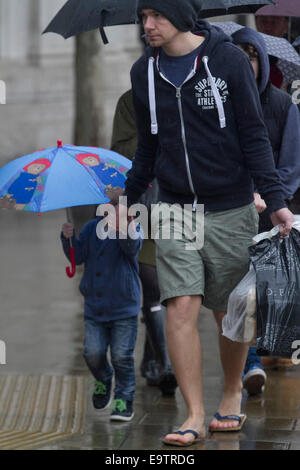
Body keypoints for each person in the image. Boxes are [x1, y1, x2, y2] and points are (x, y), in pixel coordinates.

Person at [115, 0, 296, 446]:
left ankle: (231, 392)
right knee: (180, 304)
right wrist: (127, 198)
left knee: (228, 311)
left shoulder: (228, 61)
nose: (147, 25)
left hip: (230, 206)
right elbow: (148, 149)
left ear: (179, 16)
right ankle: (193, 414)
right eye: (143, 17)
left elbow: (254, 135)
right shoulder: (145, 73)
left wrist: (275, 202)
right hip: (174, 208)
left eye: (155, 16)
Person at [232, 28, 300, 388]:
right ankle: (250, 364)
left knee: (262, 289)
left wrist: (272, 199)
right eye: (238, 53)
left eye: (252, 54)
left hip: (270, 210)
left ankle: (265, 353)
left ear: (262, 60)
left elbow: (290, 164)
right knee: (236, 289)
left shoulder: (281, 105)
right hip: (229, 207)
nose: (245, 60)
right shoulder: (221, 106)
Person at [111, 89, 177, 396]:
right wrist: (156, 134)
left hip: (185, 201)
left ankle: (153, 356)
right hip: (145, 202)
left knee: (174, 286)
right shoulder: (130, 101)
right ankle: (166, 365)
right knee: (151, 282)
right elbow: (121, 149)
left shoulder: (190, 93)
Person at [60, 209, 142, 421]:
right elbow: (77, 257)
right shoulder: (89, 229)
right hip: (95, 306)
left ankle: (123, 399)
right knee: (92, 353)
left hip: (124, 306)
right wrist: (68, 239)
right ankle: (104, 377)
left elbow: (132, 248)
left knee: (121, 356)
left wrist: (126, 228)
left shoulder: (130, 228)